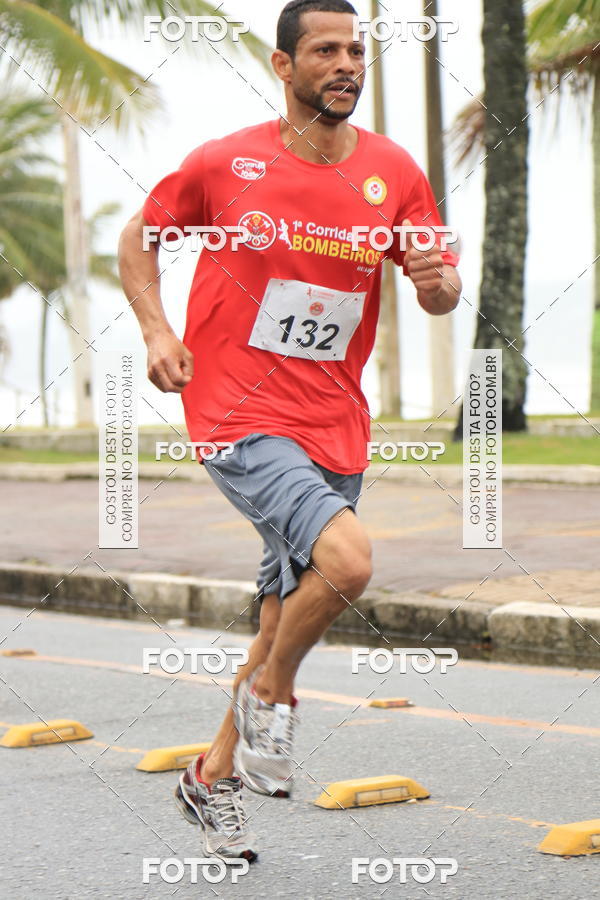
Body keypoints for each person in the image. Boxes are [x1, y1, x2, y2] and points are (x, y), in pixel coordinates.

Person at [118, 0, 461, 863]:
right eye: (325, 50)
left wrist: (436, 281)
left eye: (356, 51)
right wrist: (158, 331)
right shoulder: (226, 162)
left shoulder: (393, 171)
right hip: (236, 409)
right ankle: (273, 700)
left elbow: (440, 287)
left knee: (281, 616)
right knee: (348, 562)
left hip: (334, 420)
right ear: (283, 66)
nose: (346, 64)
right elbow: (141, 235)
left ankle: (211, 776)